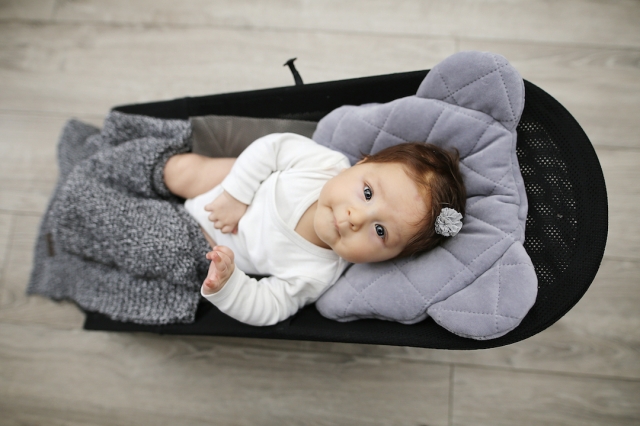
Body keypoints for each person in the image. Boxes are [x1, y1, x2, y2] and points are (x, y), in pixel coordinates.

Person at [163, 133, 466, 326]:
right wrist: (236, 194)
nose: (356, 218)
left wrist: (227, 284)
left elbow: (270, 305)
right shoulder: (324, 165)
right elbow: (271, 149)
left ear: (387, 259)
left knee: (164, 243)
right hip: (224, 187)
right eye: (368, 193)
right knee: (179, 170)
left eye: (380, 231)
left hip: (205, 242)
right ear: (361, 163)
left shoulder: (317, 273)